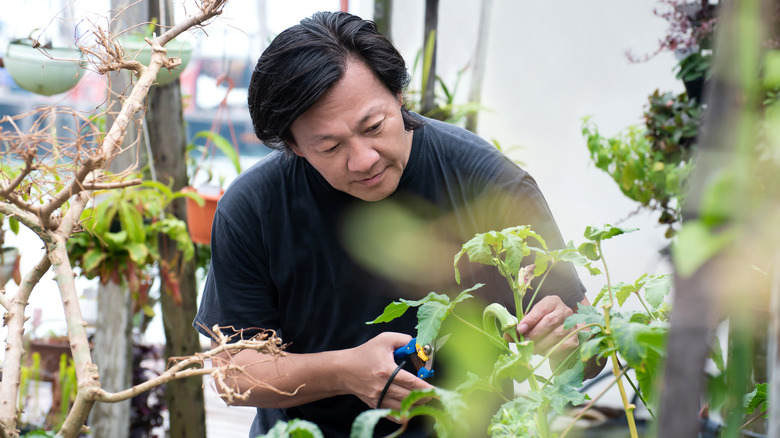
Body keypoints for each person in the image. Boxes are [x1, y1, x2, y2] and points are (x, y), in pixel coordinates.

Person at [193, 11, 594, 437]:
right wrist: (345, 371)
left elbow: (588, 348)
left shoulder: (489, 183)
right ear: (293, 145)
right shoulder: (254, 207)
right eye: (329, 146)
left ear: (398, 94)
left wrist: (571, 336)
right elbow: (234, 375)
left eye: (374, 126)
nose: (364, 159)